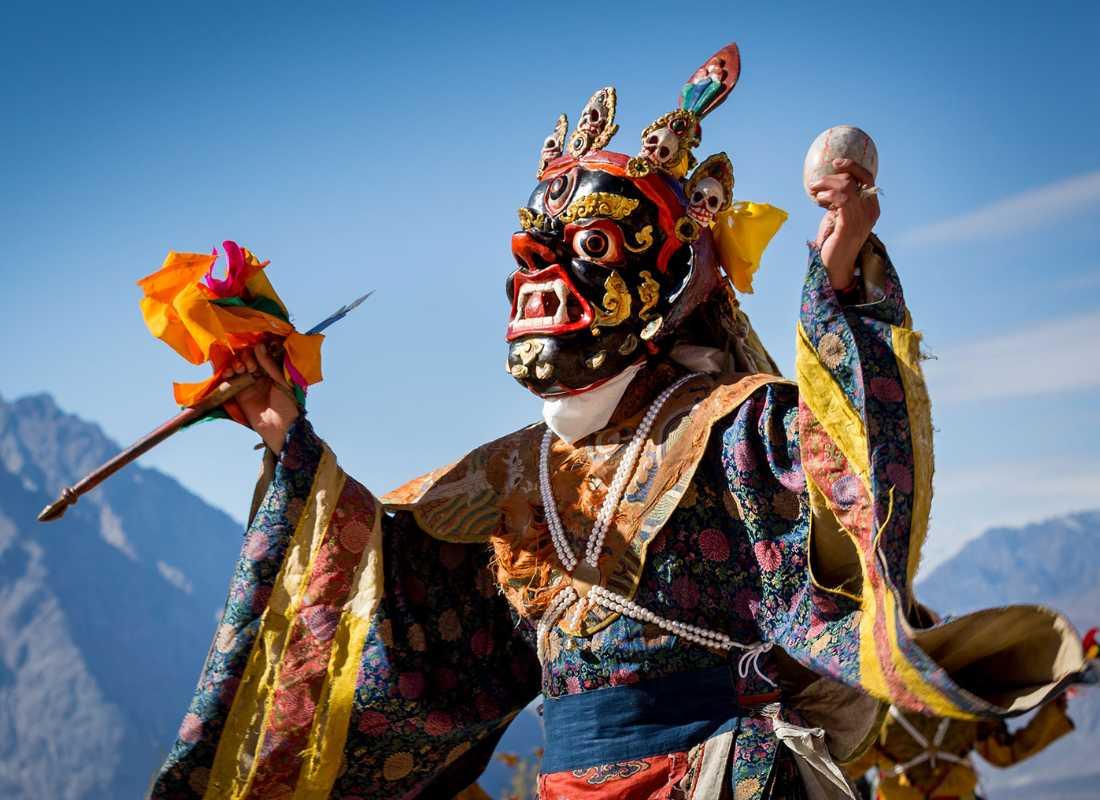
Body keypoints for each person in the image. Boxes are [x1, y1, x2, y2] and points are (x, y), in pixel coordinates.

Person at [150, 43, 1090, 799]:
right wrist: (289, 438)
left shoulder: (736, 426)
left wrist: (838, 291)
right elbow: (399, 605)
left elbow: (853, 488)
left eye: (591, 245)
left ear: (675, 277)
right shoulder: (504, 475)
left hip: (719, 779)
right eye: (534, 252)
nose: (542, 273)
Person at [845, 694, 1075, 799]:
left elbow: (850, 768)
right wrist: (1054, 709)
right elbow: (1006, 754)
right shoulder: (966, 709)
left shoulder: (880, 715)